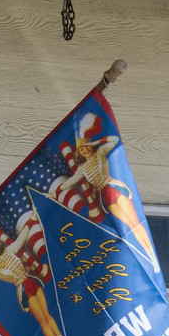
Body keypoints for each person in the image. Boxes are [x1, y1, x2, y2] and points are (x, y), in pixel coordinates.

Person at [57, 112, 156, 267]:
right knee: (125, 228)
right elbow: (70, 182)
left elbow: (114, 140)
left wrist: (96, 142)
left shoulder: (100, 152)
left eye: (85, 148)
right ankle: (144, 257)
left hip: (112, 187)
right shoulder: (82, 169)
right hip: (104, 196)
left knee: (134, 223)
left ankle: (151, 256)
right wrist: (52, 193)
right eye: (81, 150)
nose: (84, 151)